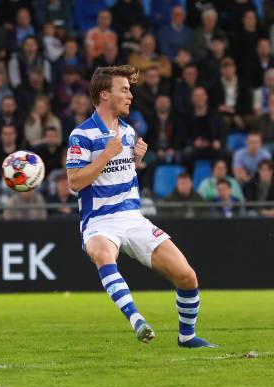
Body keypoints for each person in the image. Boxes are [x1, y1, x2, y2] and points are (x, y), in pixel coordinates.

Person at [65, 65, 215, 348]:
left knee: (187, 275)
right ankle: (136, 320)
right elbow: (74, 182)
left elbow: (121, 175)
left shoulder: (129, 132)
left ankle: (188, 336)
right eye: (124, 90)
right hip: (99, 220)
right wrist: (105, 156)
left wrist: (136, 161)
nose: (130, 95)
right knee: (103, 256)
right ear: (105, 95)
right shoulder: (82, 135)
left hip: (133, 217)